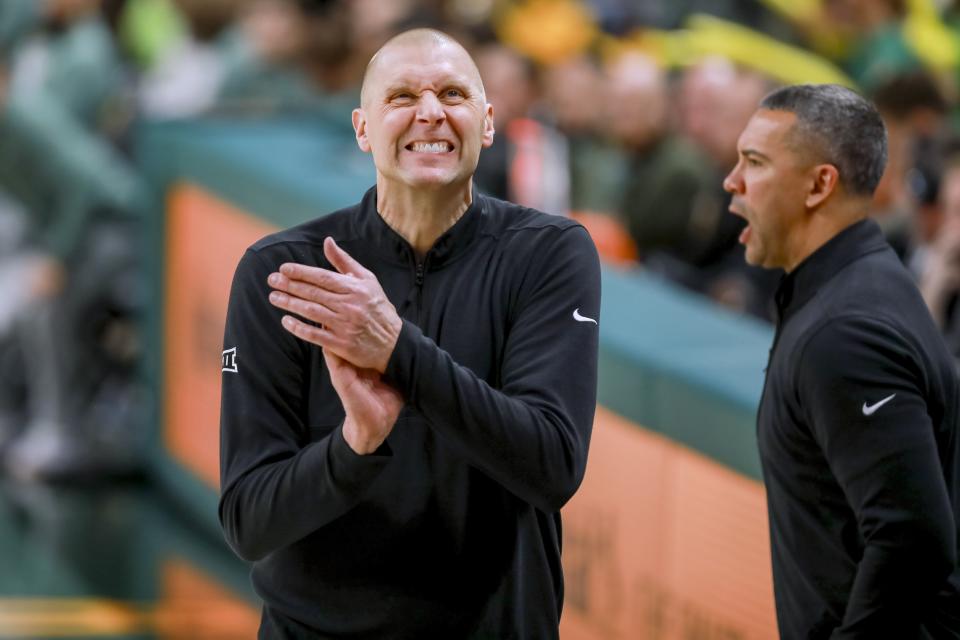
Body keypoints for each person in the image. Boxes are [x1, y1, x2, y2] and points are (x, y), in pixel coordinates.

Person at [218, 28, 601, 639]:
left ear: (488, 122)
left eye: (453, 93)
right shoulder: (283, 272)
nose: (431, 112)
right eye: (401, 97)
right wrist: (354, 448)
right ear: (363, 128)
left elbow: (553, 466)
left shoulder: (550, 255)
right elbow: (248, 521)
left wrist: (398, 352)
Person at [723, 83, 960, 638]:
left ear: (819, 185)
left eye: (754, 163)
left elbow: (913, 537)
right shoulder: (854, 281)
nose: (731, 182)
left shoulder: (844, 332)